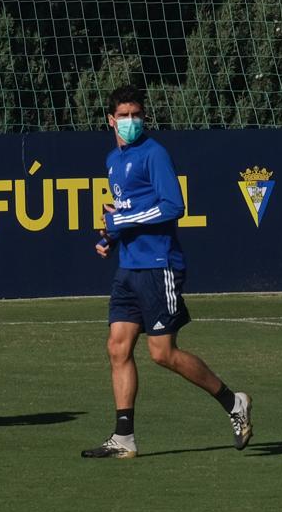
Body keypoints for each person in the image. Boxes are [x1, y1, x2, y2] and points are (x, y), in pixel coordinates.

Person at [82, 85, 251, 458]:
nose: (131, 122)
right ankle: (123, 438)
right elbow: (127, 213)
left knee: (162, 353)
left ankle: (232, 401)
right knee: (117, 348)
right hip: (128, 267)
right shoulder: (113, 159)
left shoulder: (154, 153)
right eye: (123, 116)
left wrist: (122, 219)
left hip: (159, 266)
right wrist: (111, 236)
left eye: (136, 114)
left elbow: (174, 206)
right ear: (111, 120)